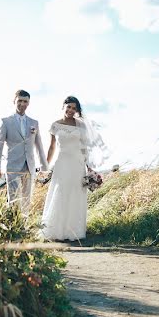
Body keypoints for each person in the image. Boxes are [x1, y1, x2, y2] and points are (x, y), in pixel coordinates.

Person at [40, 95, 105, 241]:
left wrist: (89, 167)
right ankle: (56, 231)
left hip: (77, 164)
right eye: (68, 107)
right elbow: (51, 147)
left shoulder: (81, 125)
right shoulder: (55, 125)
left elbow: (85, 147)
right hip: (62, 163)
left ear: (77, 110)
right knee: (60, 192)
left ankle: (73, 231)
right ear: (63, 107)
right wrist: (45, 165)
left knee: (76, 194)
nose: (71, 110)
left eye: (74, 108)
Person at [0, 89, 48, 216]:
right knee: (13, 199)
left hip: (29, 166)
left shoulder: (34, 123)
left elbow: (39, 146)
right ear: (14, 101)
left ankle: (24, 226)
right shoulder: (5, 122)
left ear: (28, 103)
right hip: (12, 166)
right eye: (20, 101)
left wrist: (44, 167)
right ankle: (13, 226)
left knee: (26, 199)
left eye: (25, 101)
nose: (22, 104)